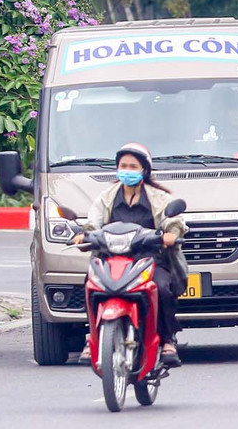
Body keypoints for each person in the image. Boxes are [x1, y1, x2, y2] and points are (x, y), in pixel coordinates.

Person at [75, 142, 188, 367]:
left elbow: (173, 222)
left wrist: (171, 234)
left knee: (162, 288)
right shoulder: (106, 197)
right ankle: (93, 339)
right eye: (123, 165)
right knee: (90, 286)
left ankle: (167, 340)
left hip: (149, 259)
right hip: (111, 258)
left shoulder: (158, 198)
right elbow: (92, 222)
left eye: (133, 166)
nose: (127, 170)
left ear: (144, 170)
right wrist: (83, 235)